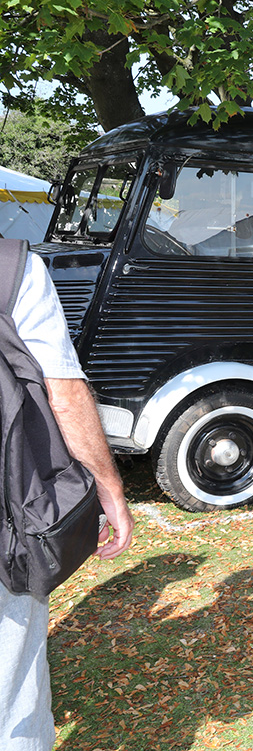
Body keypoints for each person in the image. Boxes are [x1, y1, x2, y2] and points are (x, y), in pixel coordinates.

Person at [2, 245, 135, 749]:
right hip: (6, 522)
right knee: (12, 689)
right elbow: (64, 391)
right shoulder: (12, 268)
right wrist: (110, 489)